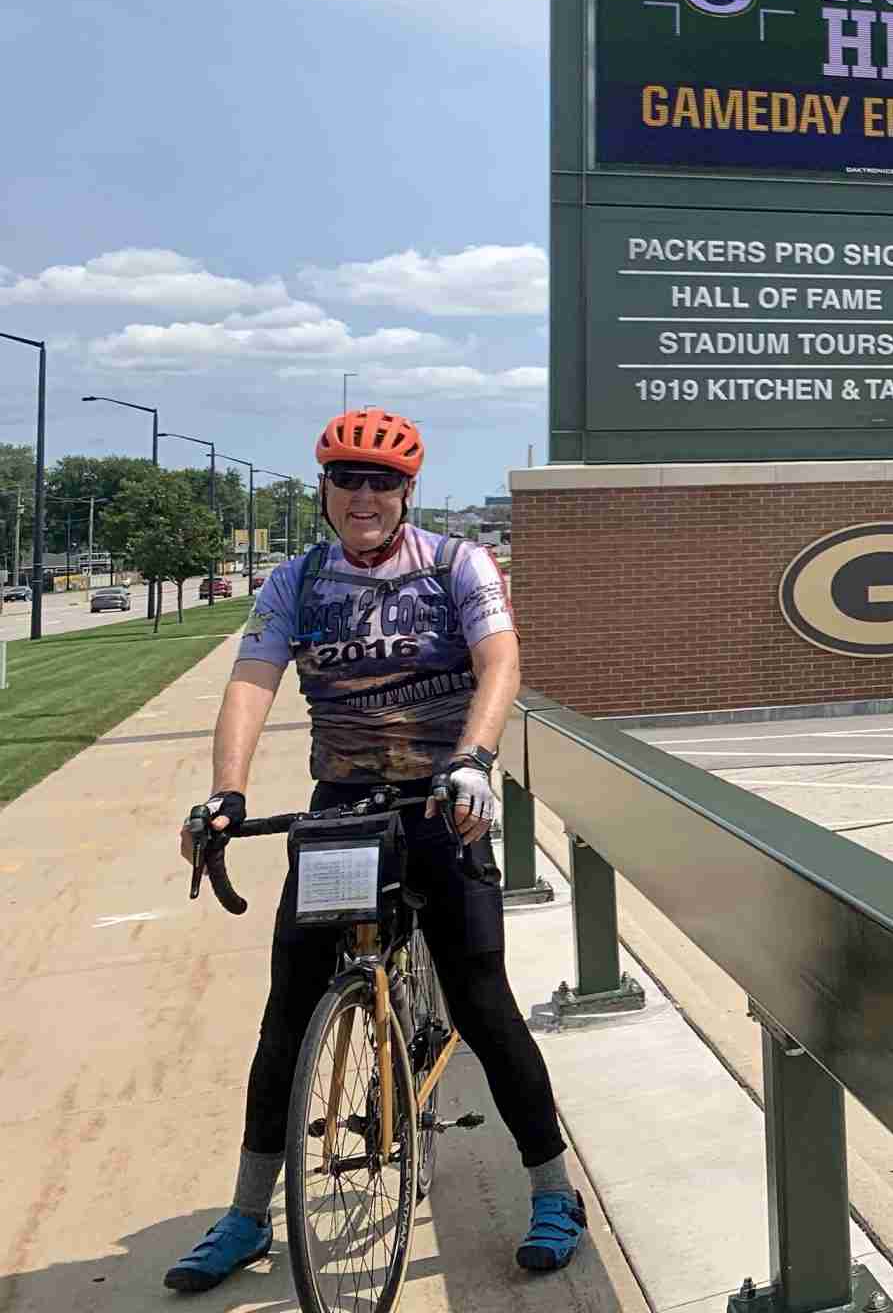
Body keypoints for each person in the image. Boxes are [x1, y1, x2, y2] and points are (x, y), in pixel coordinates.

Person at [166, 408, 585, 1291]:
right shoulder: (295, 581)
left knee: (481, 1001)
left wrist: (474, 759)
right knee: (289, 1013)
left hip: (443, 802)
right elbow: (251, 682)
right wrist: (226, 793)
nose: (365, 495)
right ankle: (246, 1215)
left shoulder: (454, 564)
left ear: (407, 491)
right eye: (348, 478)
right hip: (344, 810)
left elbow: (500, 661)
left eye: (383, 481)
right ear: (323, 488)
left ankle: (554, 1190)